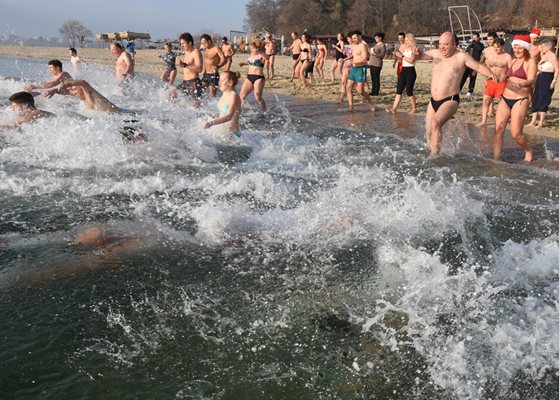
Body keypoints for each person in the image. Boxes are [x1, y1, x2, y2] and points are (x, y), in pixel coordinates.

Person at [416, 32, 494, 156]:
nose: (442, 47)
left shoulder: (461, 57)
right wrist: (417, 53)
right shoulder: (435, 53)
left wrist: (490, 74)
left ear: (454, 45)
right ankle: (431, 151)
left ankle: (434, 157)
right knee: (429, 130)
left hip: (450, 100)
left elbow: (478, 67)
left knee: (436, 123)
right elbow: (421, 55)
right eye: (441, 44)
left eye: (446, 44)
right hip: (433, 100)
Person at [493, 35, 537, 162]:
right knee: (499, 129)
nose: (516, 51)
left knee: (516, 134)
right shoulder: (513, 60)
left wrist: (523, 84)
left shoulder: (530, 61)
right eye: (515, 47)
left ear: (526, 49)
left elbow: (531, 80)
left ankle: (528, 150)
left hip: (520, 99)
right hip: (505, 98)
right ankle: (496, 160)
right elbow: (507, 77)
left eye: (520, 48)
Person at [476, 37, 512, 126]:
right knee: (485, 100)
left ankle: (501, 120)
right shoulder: (491, 56)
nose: (496, 49)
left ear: (503, 47)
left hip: (502, 82)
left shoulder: (507, 56)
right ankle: (484, 121)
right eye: (495, 47)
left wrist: (506, 76)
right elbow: (485, 66)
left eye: (498, 47)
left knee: (502, 102)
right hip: (491, 81)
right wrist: (487, 76)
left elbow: (512, 70)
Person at [527, 39, 558, 128]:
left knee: (543, 98)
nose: (542, 47)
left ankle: (540, 122)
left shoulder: (552, 56)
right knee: (536, 97)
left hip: (548, 77)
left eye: (544, 46)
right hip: (540, 76)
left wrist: (554, 81)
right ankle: (533, 121)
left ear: (548, 47)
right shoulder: (543, 55)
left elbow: (557, 69)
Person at [204, 71, 242, 139]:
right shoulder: (224, 93)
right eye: (219, 80)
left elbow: (229, 116)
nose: (219, 83)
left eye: (222, 80)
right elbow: (221, 114)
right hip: (223, 133)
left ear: (230, 82)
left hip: (232, 135)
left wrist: (211, 123)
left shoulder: (233, 95)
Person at [387, 33, 418, 113]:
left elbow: (411, 60)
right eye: (406, 40)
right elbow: (401, 60)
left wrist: (402, 56)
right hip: (403, 70)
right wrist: (397, 55)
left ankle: (414, 108)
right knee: (399, 90)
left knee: (409, 91)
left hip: (410, 71)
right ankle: (394, 108)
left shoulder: (414, 49)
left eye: (407, 40)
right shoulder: (405, 49)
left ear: (411, 40)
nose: (406, 42)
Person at [345, 30, 375, 112]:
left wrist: (354, 62)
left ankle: (371, 103)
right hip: (353, 69)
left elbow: (365, 59)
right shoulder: (354, 46)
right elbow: (353, 55)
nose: (353, 40)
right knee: (348, 87)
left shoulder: (363, 46)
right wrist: (346, 59)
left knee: (360, 90)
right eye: (352, 38)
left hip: (361, 69)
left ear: (359, 37)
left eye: (355, 38)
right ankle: (351, 106)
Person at [170, 32, 203, 101]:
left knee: (196, 107)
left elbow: (199, 69)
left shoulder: (196, 52)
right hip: (185, 82)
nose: (181, 46)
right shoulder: (186, 52)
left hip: (194, 83)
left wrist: (184, 65)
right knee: (171, 95)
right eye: (180, 44)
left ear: (190, 43)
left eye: (183, 43)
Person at [239, 40, 267, 111]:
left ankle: (265, 111)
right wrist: (243, 63)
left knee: (258, 97)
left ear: (257, 48)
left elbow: (267, 58)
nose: (251, 50)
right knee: (241, 96)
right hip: (249, 77)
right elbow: (251, 62)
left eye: (253, 48)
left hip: (259, 77)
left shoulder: (261, 55)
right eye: (251, 49)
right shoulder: (251, 54)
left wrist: (260, 51)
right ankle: (241, 110)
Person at [460, 31, 485, 96]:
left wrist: (473, 41)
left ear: (478, 38)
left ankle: (470, 91)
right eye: (472, 37)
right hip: (467, 64)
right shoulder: (470, 45)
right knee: (463, 77)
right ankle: (459, 89)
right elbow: (466, 52)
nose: (473, 39)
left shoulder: (480, 45)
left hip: (475, 63)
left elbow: (480, 48)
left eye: (475, 38)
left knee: (473, 77)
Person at [368, 32, 386, 96]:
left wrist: (374, 54)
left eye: (376, 37)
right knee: (373, 78)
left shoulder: (382, 45)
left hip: (377, 64)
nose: (375, 38)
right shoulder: (376, 44)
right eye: (375, 37)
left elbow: (382, 55)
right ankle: (373, 91)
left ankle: (376, 92)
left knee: (376, 78)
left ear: (380, 38)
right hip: (372, 63)